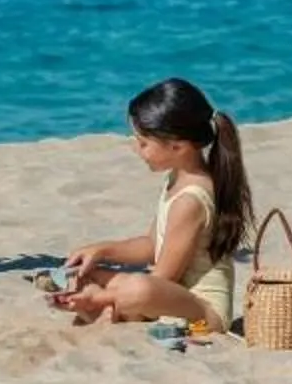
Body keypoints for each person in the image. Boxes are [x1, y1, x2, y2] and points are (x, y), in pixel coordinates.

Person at [56, 79, 251, 333]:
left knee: (138, 288)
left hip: (203, 316)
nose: (136, 149)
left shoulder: (191, 200)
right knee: (83, 274)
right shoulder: (177, 178)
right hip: (172, 296)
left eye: (144, 143)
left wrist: (106, 295)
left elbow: (162, 278)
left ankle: (105, 306)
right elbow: (151, 246)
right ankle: (107, 306)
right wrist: (102, 250)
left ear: (177, 146)